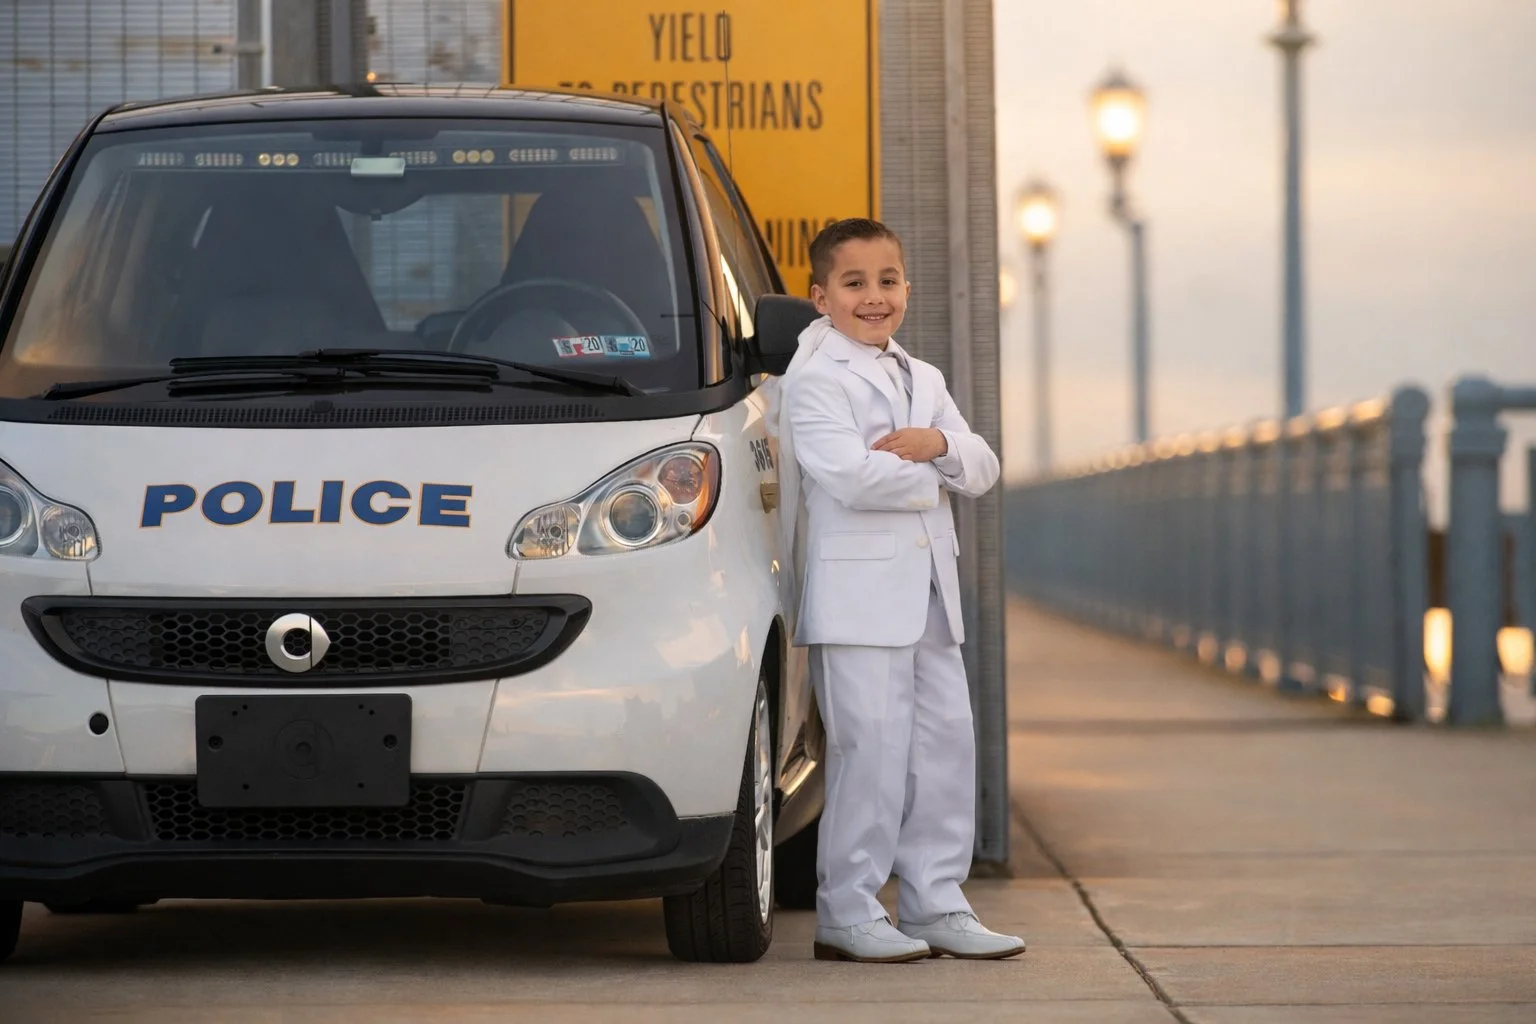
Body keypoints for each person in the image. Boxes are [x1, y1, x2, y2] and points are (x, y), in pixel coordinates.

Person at [777, 218, 1025, 963]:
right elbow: (850, 476)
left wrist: (939, 445)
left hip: (926, 592)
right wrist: (937, 474)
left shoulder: (925, 378)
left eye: (888, 281)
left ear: (907, 289)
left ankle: (935, 901)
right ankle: (847, 911)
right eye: (854, 284)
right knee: (870, 751)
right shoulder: (814, 377)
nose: (874, 297)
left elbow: (983, 467)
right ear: (821, 297)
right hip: (858, 600)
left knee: (945, 748)